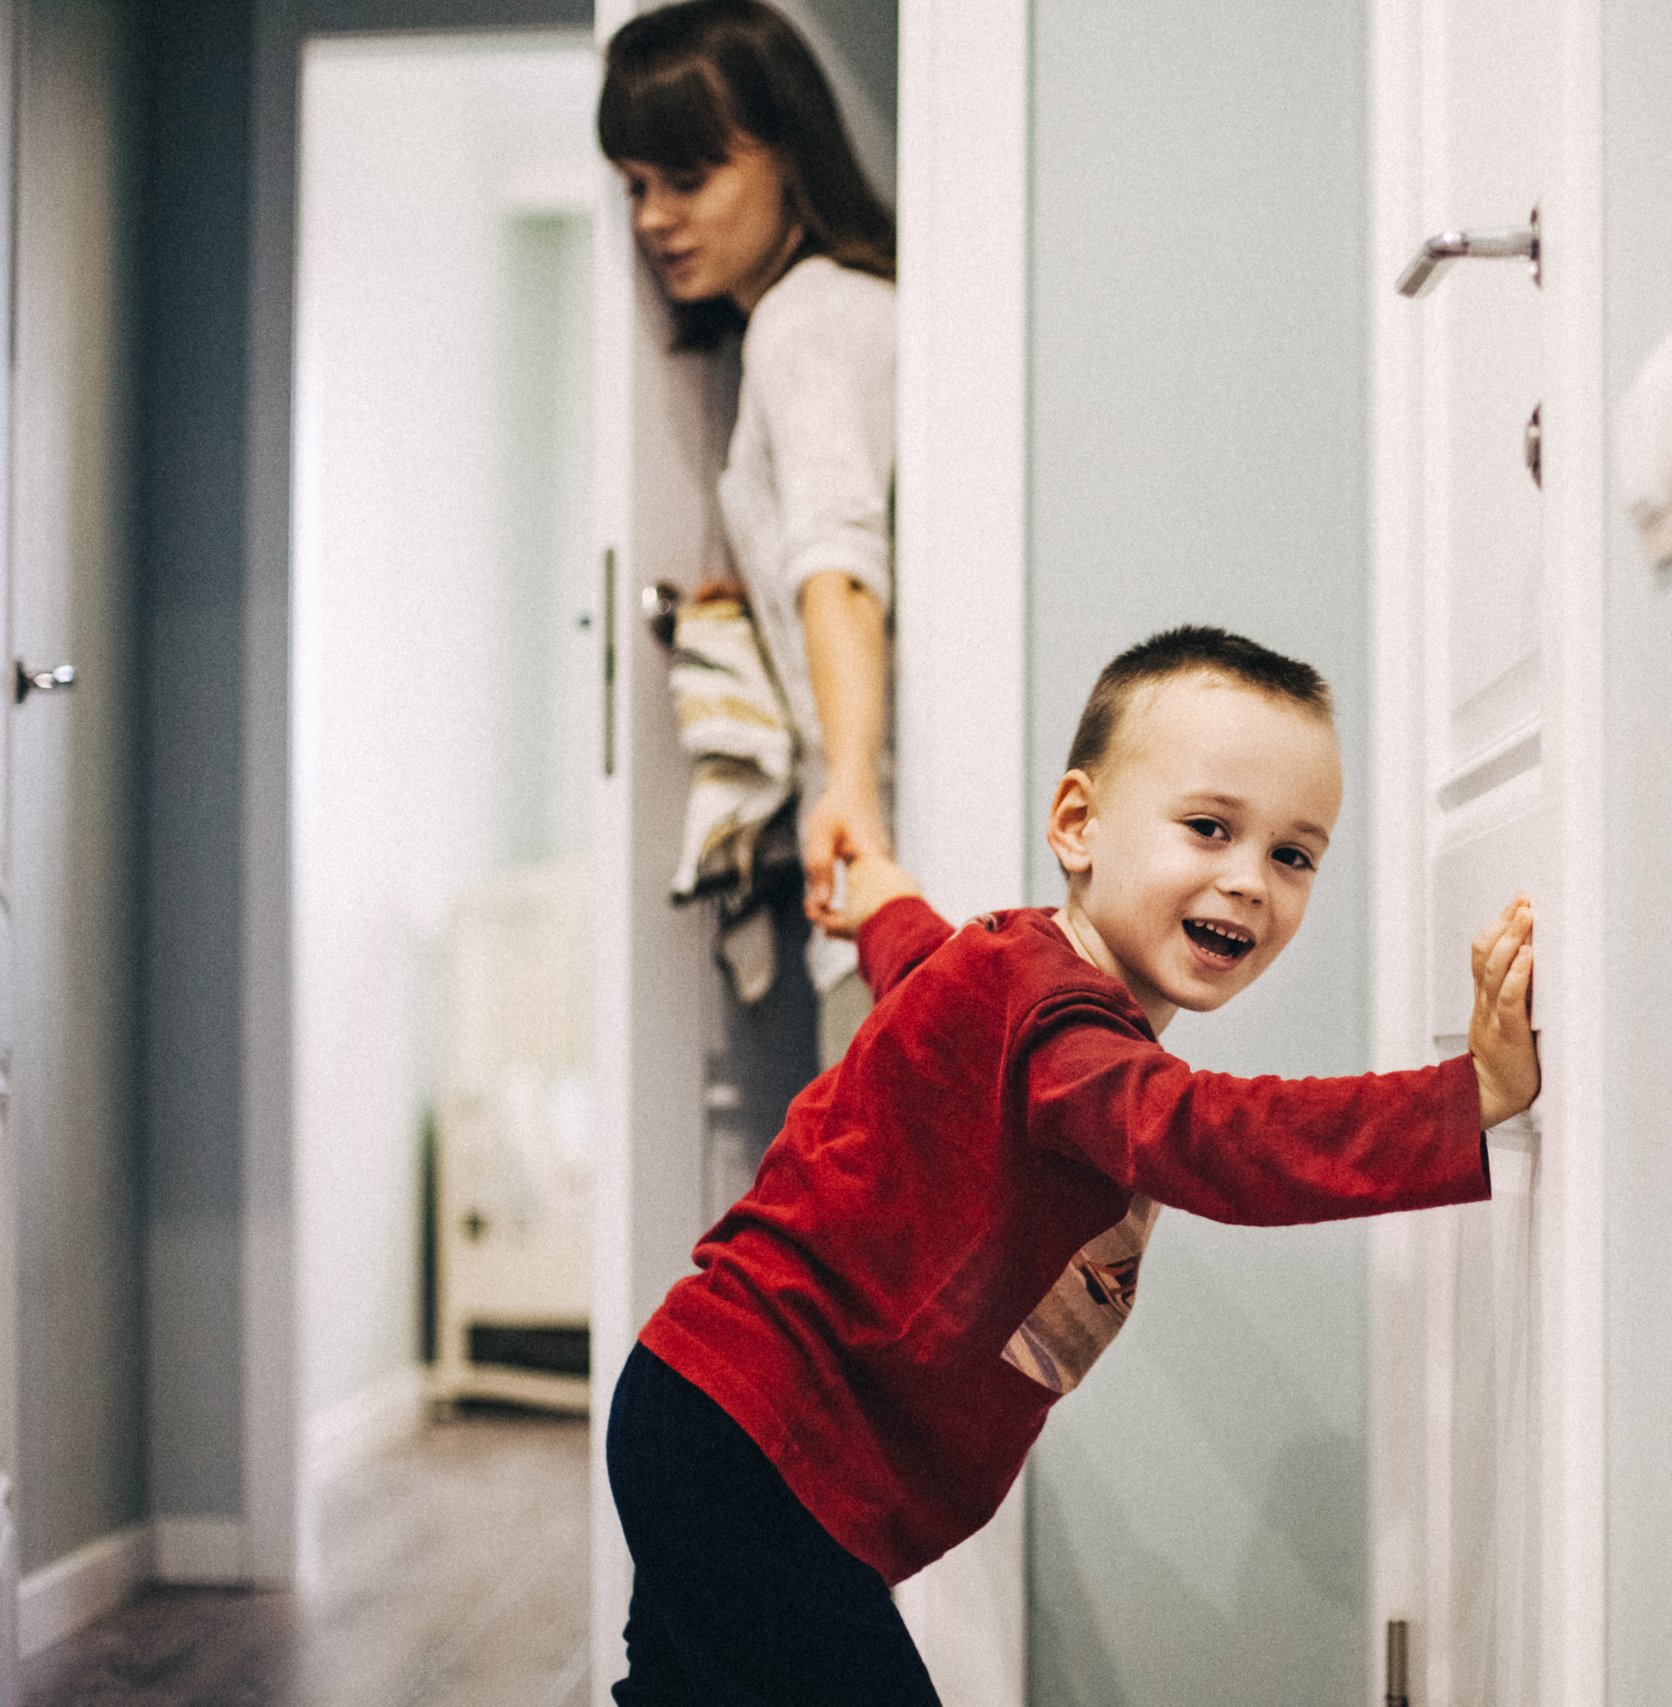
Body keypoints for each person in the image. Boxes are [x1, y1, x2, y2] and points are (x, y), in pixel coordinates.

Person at [605, 627, 1541, 1704]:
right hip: (760, 1444)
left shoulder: (1006, 982)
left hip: (712, 1423)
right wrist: (1462, 1099)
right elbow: (1210, 1141)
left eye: (1291, 854)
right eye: (1207, 828)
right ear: (1077, 824)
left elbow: (916, 956)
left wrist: (874, 895)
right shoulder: (1061, 1029)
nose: (1248, 882)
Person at [599, 0, 897, 1112]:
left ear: (783, 152)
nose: (653, 219)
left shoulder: (805, 321)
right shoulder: (849, 313)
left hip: (881, 873)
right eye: (635, 185)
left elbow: (839, 562)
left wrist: (853, 792)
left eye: (687, 177)